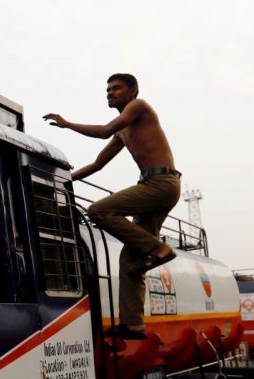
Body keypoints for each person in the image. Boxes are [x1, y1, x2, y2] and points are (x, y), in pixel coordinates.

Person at [43, 73, 180, 340]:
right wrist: (63, 179)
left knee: (99, 210)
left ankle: (159, 249)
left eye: (116, 88)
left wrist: (67, 124)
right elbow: (97, 164)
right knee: (131, 261)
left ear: (132, 92)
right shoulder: (123, 130)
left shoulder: (139, 107)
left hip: (161, 183)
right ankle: (133, 325)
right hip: (154, 184)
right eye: (107, 89)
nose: (110, 93)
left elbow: (103, 130)